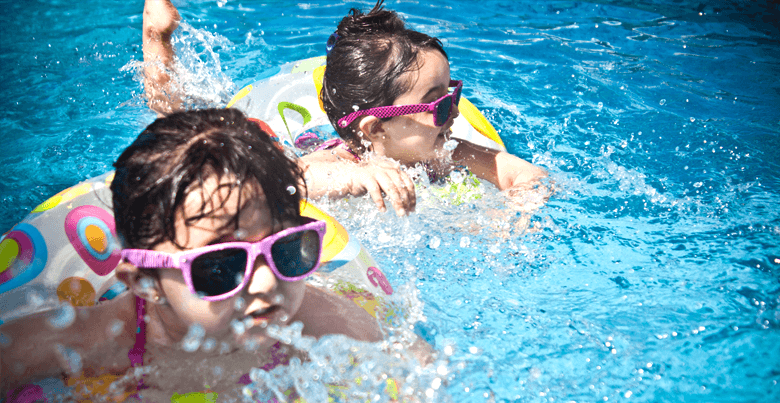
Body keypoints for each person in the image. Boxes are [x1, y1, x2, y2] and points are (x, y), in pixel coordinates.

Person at [0, 108, 382, 403]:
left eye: (286, 250)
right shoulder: (84, 345)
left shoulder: (325, 327)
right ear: (144, 281)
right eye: (222, 266)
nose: (267, 283)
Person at [140, 0, 548, 216]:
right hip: (296, 143)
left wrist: (519, 207)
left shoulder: (449, 152)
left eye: (453, 95)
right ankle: (157, 37)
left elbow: (521, 173)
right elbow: (276, 183)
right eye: (437, 106)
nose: (454, 114)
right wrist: (353, 176)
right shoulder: (338, 159)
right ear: (375, 130)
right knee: (180, 130)